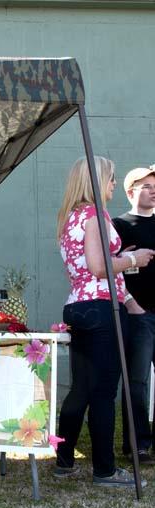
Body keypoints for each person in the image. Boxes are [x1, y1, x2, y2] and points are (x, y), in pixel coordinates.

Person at [55, 156, 153, 487]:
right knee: (103, 391)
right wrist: (131, 259)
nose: (114, 184)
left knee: (81, 387)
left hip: (78, 306)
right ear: (96, 181)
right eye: (111, 179)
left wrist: (129, 299)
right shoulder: (95, 216)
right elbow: (99, 267)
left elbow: (89, 268)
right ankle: (105, 470)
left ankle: (64, 460)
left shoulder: (70, 218)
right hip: (100, 310)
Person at [113, 165, 155, 464]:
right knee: (137, 382)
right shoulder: (119, 225)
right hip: (138, 314)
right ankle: (137, 445)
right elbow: (109, 269)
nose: (153, 191)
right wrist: (124, 259)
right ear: (131, 192)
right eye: (146, 186)